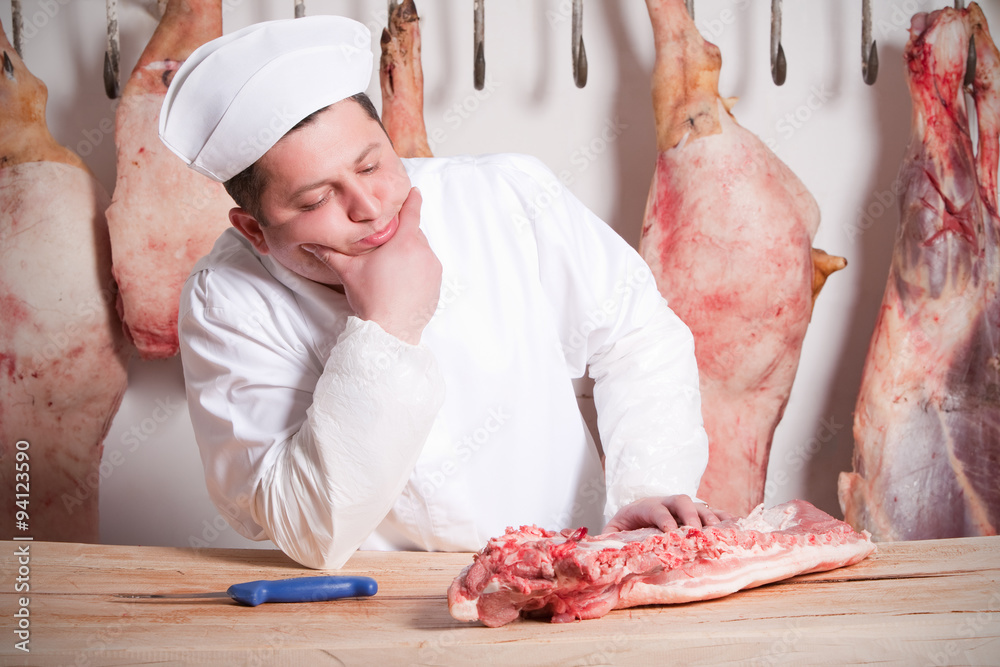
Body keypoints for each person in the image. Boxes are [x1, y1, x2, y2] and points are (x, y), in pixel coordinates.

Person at [160, 15, 729, 570]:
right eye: (315, 201)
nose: (369, 206)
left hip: (573, 563)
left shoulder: (503, 193)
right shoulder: (224, 300)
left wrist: (648, 485)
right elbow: (306, 526)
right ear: (254, 228)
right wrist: (387, 328)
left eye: (372, 163)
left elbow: (636, 338)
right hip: (377, 603)